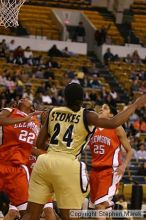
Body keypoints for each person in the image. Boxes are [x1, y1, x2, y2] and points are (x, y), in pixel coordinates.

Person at [22, 83, 146, 220]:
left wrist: (55, 148)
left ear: (65, 98)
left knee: (30, 214)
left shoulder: (53, 111)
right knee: (71, 216)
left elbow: (39, 143)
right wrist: (134, 105)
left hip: (44, 162)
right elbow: (113, 122)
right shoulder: (87, 115)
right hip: (67, 165)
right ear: (82, 99)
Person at [88, 104, 132, 220]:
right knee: (101, 209)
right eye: (101, 107)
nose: (101, 109)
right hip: (94, 172)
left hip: (110, 171)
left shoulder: (116, 128)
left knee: (100, 206)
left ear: (111, 115)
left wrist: (124, 166)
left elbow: (129, 151)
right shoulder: (92, 128)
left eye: (106, 108)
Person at [0, 98, 41, 220]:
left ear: (32, 107)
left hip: (18, 169)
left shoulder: (36, 123)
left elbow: (32, 148)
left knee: (28, 213)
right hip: (2, 161)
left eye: (28, 99)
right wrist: (24, 119)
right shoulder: (10, 111)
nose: (24, 98)